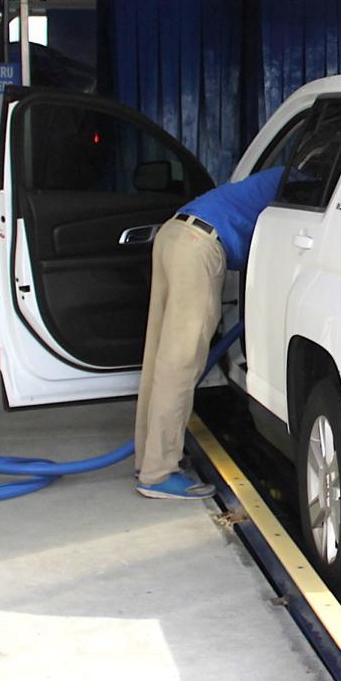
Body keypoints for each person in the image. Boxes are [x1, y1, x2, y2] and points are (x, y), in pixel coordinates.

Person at [133, 167, 284, 500]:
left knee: (159, 356)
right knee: (180, 363)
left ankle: (148, 458)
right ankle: (157, 474)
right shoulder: (298, 184)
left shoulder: (274, 177)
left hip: (174, 234)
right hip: (198, 246)